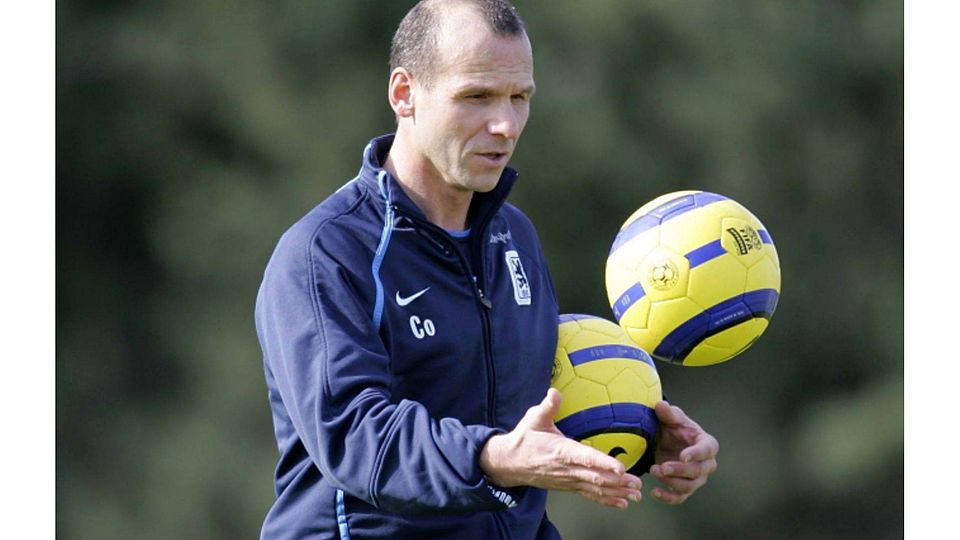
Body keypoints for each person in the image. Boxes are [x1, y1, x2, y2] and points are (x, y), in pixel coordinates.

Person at [254, 0, 719, 538]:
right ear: (404, 93)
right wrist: (495, 457)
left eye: (519, 97)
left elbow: (526, 415)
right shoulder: (325, 253)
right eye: (476, 96)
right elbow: (357, 438)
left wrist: (640, 436)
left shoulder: (513, 236)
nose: (505, 124)